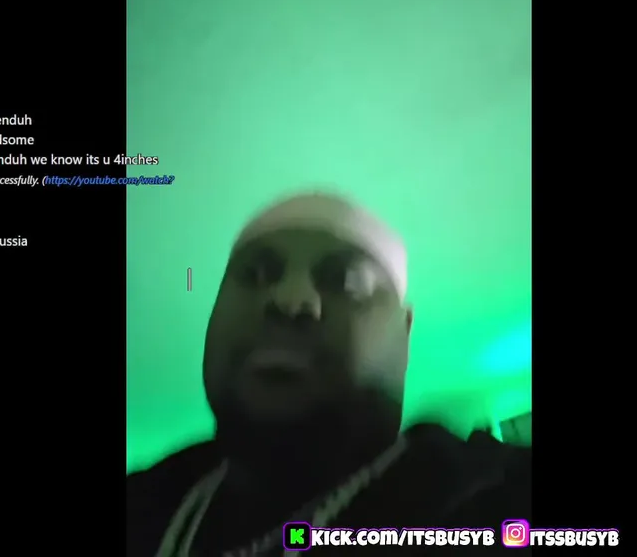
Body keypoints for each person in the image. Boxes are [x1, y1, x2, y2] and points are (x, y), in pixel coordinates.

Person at [126, 192, 530, 557]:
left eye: (349, 281)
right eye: (255, 274)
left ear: (404, 334)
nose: (289, 300)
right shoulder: (147, 502)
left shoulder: (494, 500)